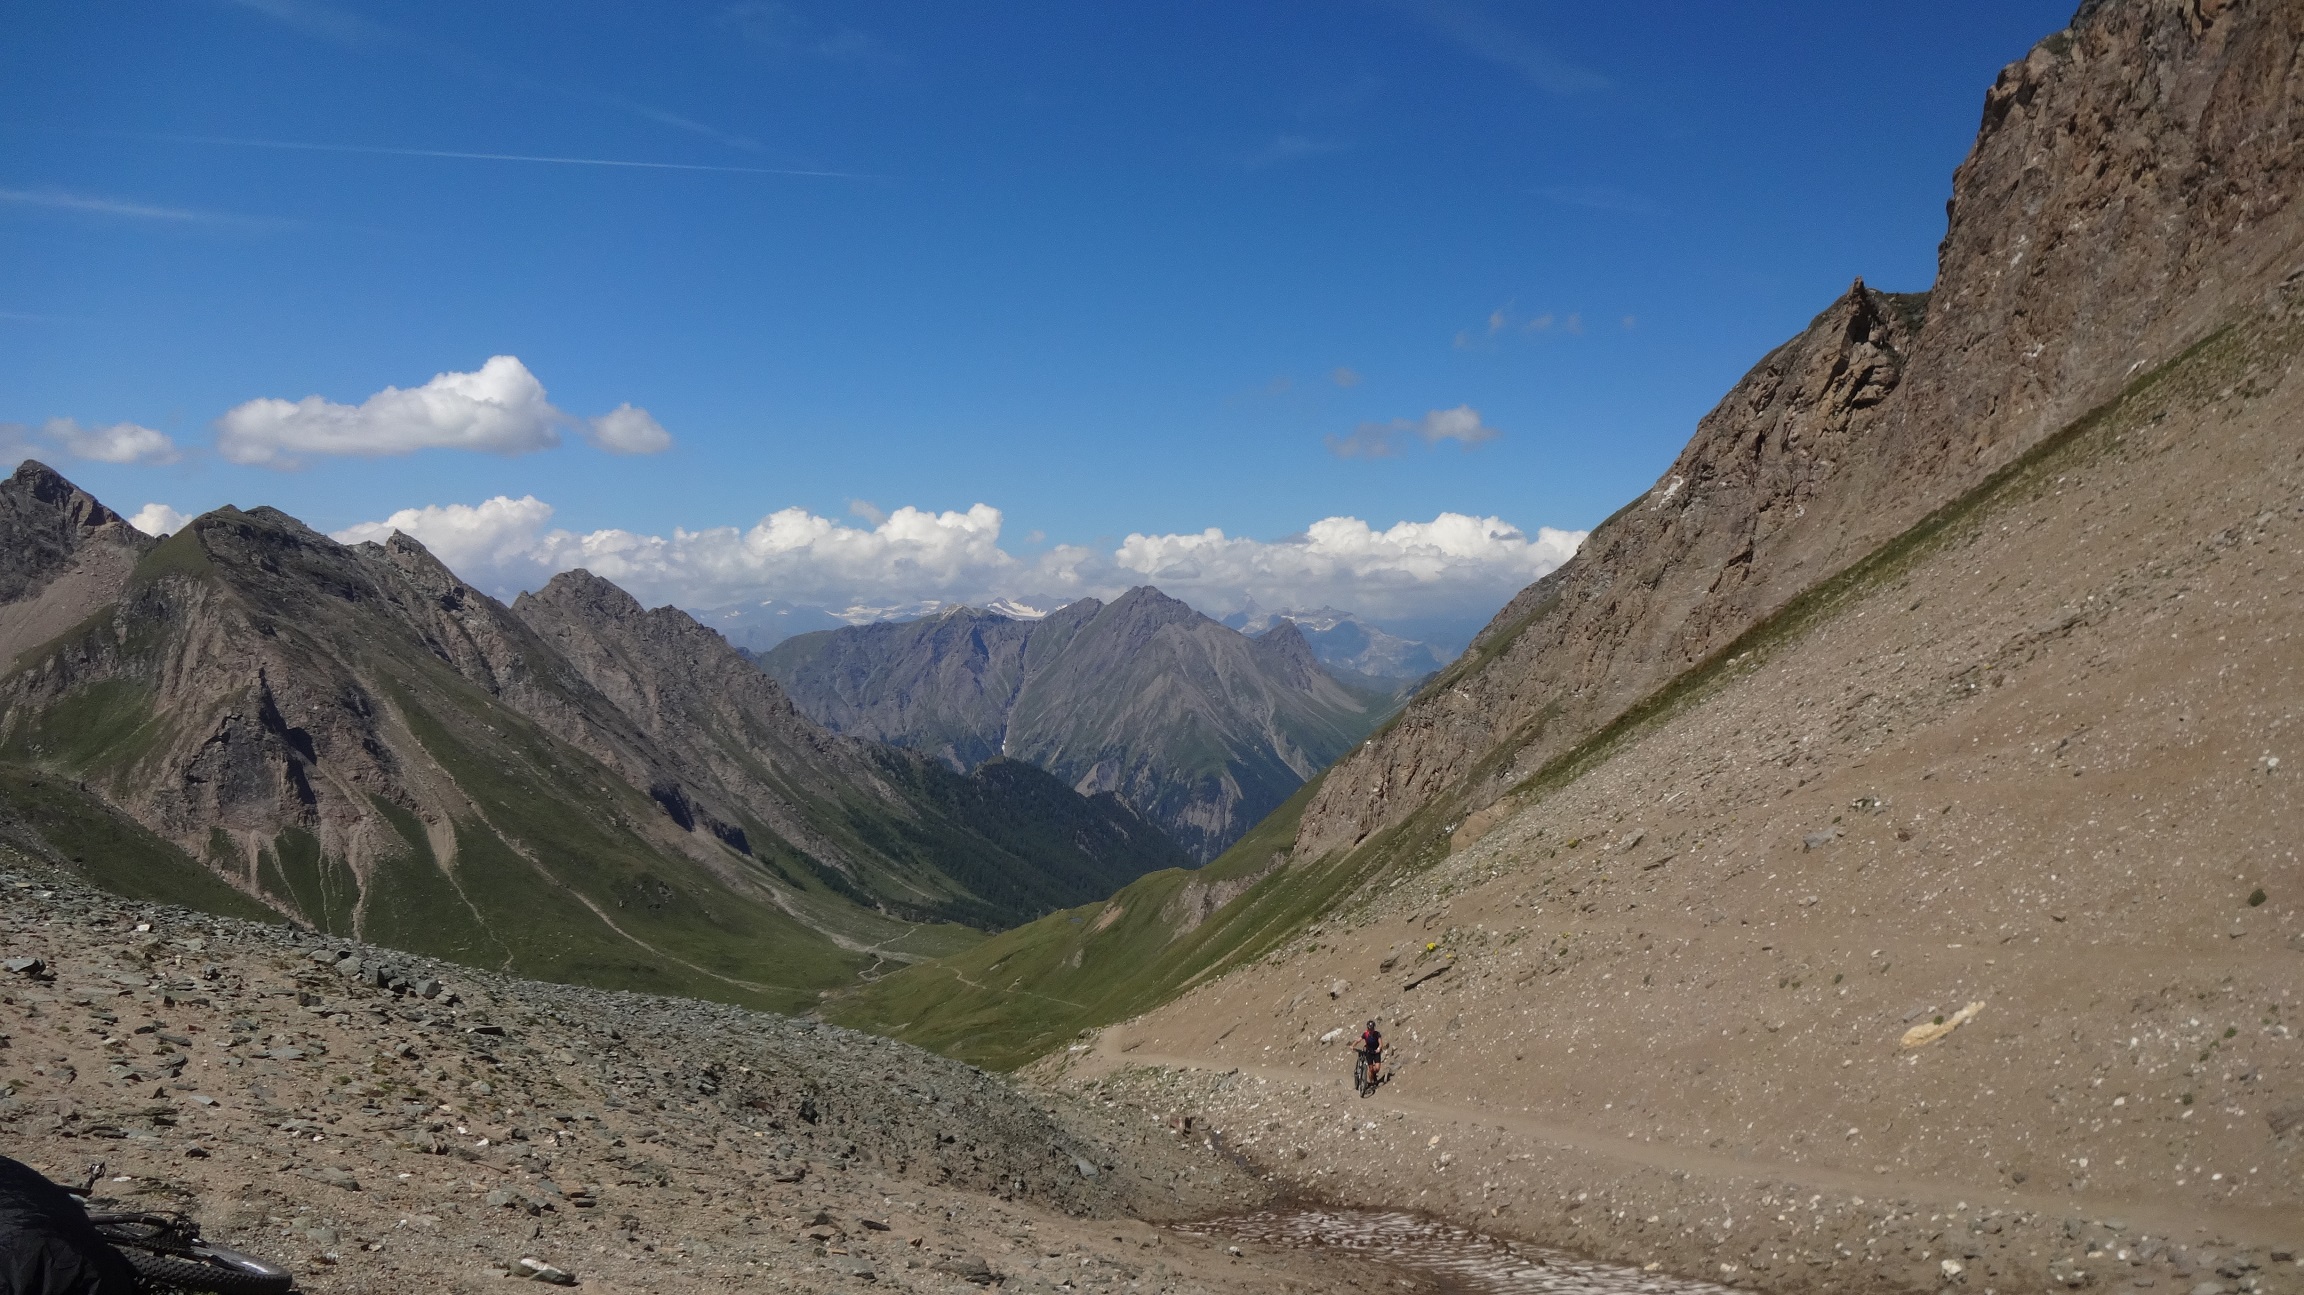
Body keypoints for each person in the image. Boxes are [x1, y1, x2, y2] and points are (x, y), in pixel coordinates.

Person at [1357, 1019, 1384, 1091]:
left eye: (1372, 1029)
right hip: (1369, 1052)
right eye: (1369, 1029)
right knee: (1370, 1068)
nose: (1371, 1031)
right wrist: (1352, 1045)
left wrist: (1379, 1048)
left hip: (1376, 1052)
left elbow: (1380, 1043)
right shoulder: (1365, 1034)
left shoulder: (1377, 1034)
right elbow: (1358, 1040)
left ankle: (1373, 1074)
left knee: (1377, 1068)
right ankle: (1372, 1082)